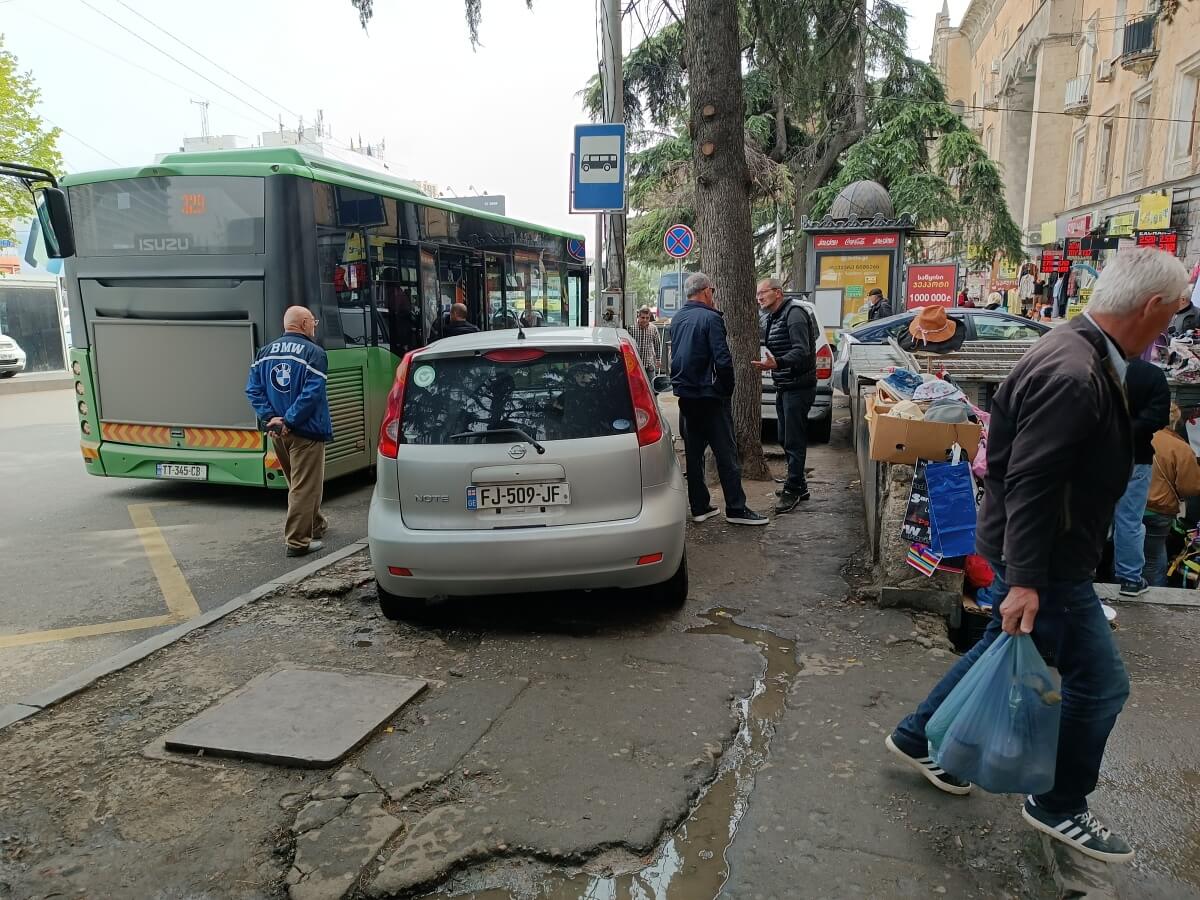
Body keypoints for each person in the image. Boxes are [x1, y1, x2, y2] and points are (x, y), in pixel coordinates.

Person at [884, 247, 1189, 864]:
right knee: (1101, 687)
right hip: (1048, 563)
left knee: (997, 643)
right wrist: (1025, 580)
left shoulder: (1076, 351)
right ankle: (1058, 802)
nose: (1172, 328)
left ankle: (917, 736)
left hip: (1040, 554)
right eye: (1174, 313)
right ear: (1153, 307)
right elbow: (1031, 481)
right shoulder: (1074, 371)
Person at [670, 272, 767, 527]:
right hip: (710, 397)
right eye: (712, 290)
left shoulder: (678, 318)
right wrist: (726, 389)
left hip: (686, 397)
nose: (713, 295)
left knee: (693, 454)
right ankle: (735, 508)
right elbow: (723, 359)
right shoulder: (711, 318)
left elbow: (676, 356)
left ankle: (699, 507)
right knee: (726, 454)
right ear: (705, 292)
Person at [245, 306, 334, 557]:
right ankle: (297, 542)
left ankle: (315, 525)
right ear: (304, 323)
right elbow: (311, 394)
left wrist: (271, 418)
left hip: (277, 433)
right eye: (313, 322)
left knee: (298, 484)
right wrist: (290, 420)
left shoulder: (264, 352)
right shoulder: (314, 353)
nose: (315, 326)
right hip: (306, 432)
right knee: (305, 486)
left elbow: (253, 390)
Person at [751, 278, 816, 513]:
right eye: (757, 294)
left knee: (793, 439)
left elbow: (802, 349)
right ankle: (800, 484)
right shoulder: (774, 316)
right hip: (785, 385)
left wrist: (778, 363)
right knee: (783, 437)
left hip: (799, 386)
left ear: (778, 293)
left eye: (763, 293)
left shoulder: (794, 314)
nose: (759, 297)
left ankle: (793, 488)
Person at [1112, 358, 1170, 596]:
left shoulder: (1090, 367)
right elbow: (1158, 419)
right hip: (1136, 457)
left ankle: (1081, 576)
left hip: (1092, 456)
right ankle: (1129, 578)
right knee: (1130, 520)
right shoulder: (1152, 374)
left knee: (1087, 517)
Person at [1144, 405, 1200, 586]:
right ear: (1175, 421)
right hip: (1159, 510)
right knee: (1154, 557)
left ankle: (1122, 587)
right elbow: (1190, 488)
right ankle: (1154, 601)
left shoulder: (1127, 436)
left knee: (1124, 550)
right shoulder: (1179, 447)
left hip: (1126, 507)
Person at [631, 305, 662, 383]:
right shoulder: (631, 327)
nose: (645, 320)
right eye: (643, 317)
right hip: (635, 364)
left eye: (647, 318)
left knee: (652, 387)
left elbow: (657, 344)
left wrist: (658, 359)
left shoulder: (653, 328)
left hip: (649, 363)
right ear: (638, 317)